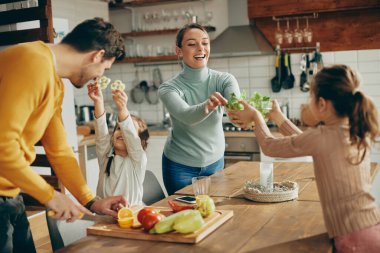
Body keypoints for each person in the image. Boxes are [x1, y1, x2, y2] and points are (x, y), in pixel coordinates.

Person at [0, 18, 128, 253]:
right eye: (104, 69)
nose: (99, 76)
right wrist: (50, 195)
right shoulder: (32, 61)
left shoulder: (54, 83)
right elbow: (2, 146)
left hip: (9, 195)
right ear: (97, 55)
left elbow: (59, 151)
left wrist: (91, 201)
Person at [229, 64, 380, 253]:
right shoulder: (356, 130)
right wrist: (278, 118)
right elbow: (306, 142)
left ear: (322, 103)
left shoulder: (322, 137)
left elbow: (269, 146)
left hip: (353, 239)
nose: (309, 103)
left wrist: (256, 116)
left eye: (311, 97)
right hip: (370, 227)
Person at [158, 23, 241, 195]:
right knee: (184, 216)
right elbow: (186, 115)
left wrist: (243, 113)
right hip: (179, 167)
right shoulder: (169, 88)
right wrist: (208, 105)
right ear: (179, 51)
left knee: (214, 213)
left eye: (205, 43)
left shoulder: (225, 80)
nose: (200, 48)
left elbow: (236, 109)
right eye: (191, 44)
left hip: (215, 163)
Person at [87, 83, 149, 206]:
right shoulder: (106, 157)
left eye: (125, 129)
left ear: (140, 142)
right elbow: (101, 134)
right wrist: (98, 102)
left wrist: (122, 108)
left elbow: (131, 137)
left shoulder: (138, 161)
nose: (121, 131)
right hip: (104, 217)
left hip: (132, 215)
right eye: (118, 128)